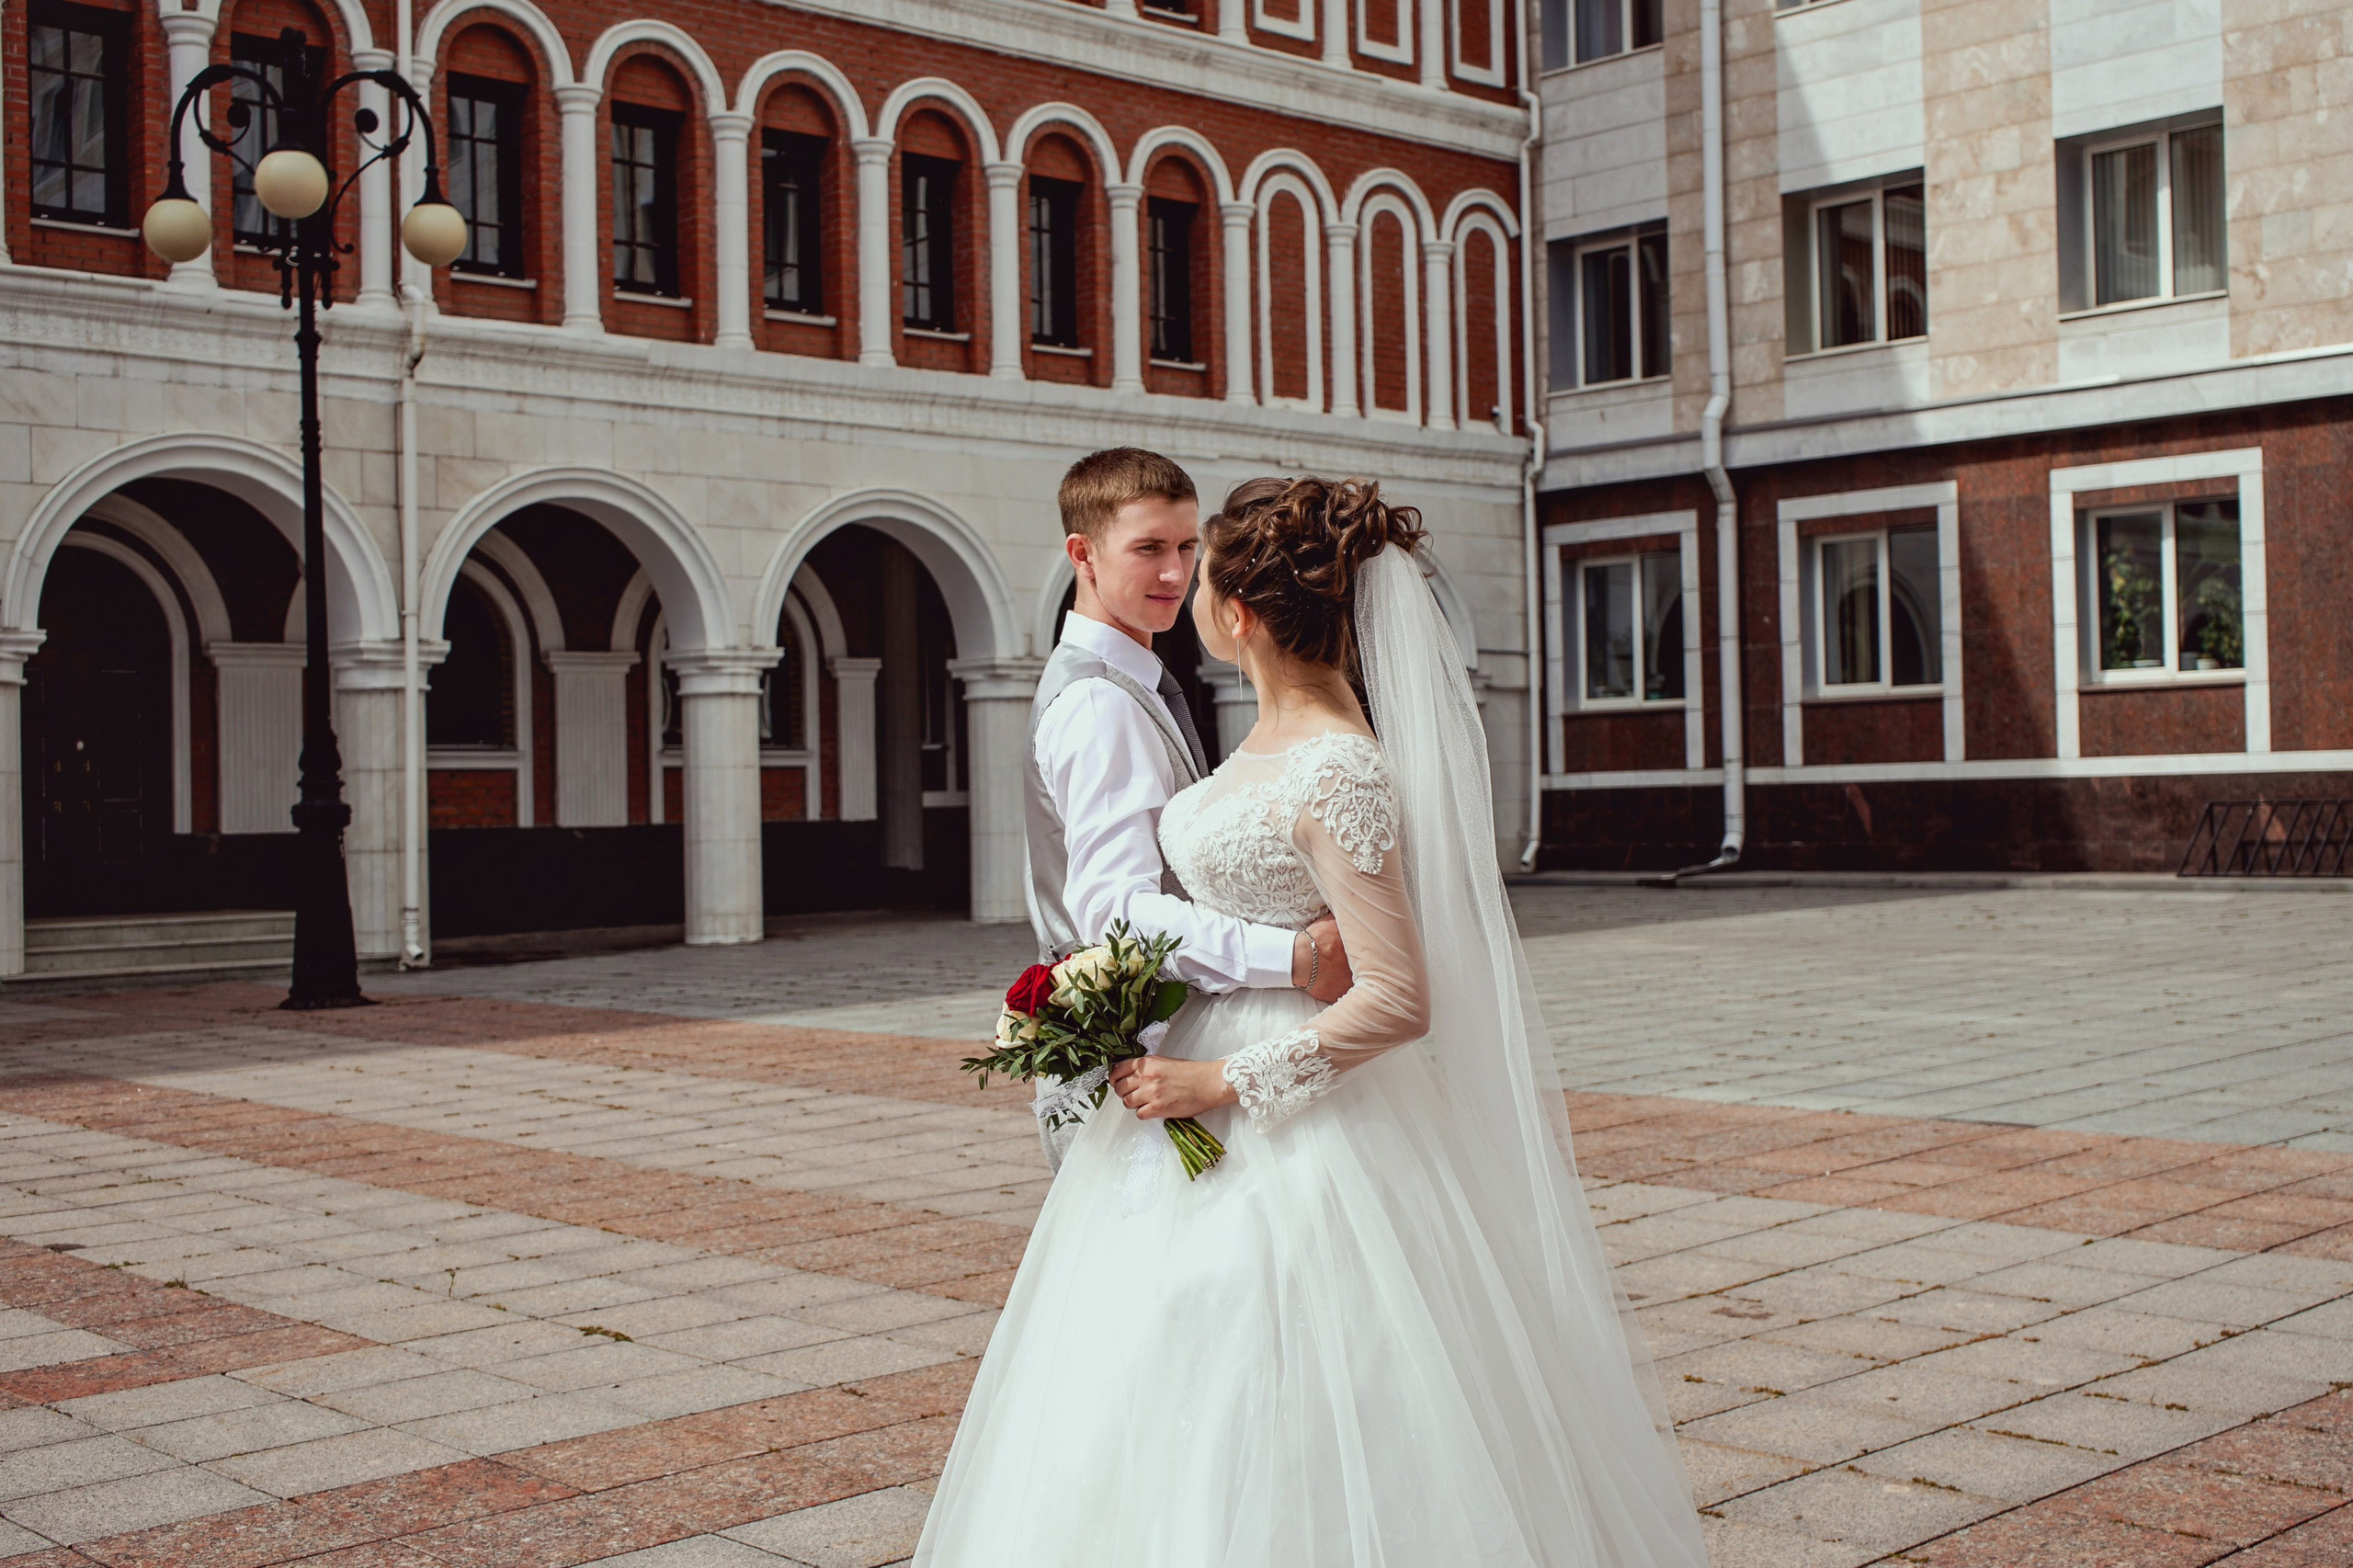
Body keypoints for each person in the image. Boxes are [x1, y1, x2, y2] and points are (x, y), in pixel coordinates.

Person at [914, 476, 1709, 1566]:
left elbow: (1397, 994)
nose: (1179, 580)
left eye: (1197, 562)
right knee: (1164, 1364)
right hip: (1198, 1077)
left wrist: (1220, 1082)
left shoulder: (1337, 765)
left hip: (1293, 1106)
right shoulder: (1257, 736)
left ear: (1237, 612)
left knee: (1300, 1357)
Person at [1020, 448, 1352, 1167]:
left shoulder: (1122, 682)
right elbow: (1115, 914)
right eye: (1148, 550)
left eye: (1184, 548)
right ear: (1083, 553)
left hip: (1159, 1060)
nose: (1174, 574)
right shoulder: (1098, 703)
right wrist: (1294, 958)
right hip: (1130, 1073)